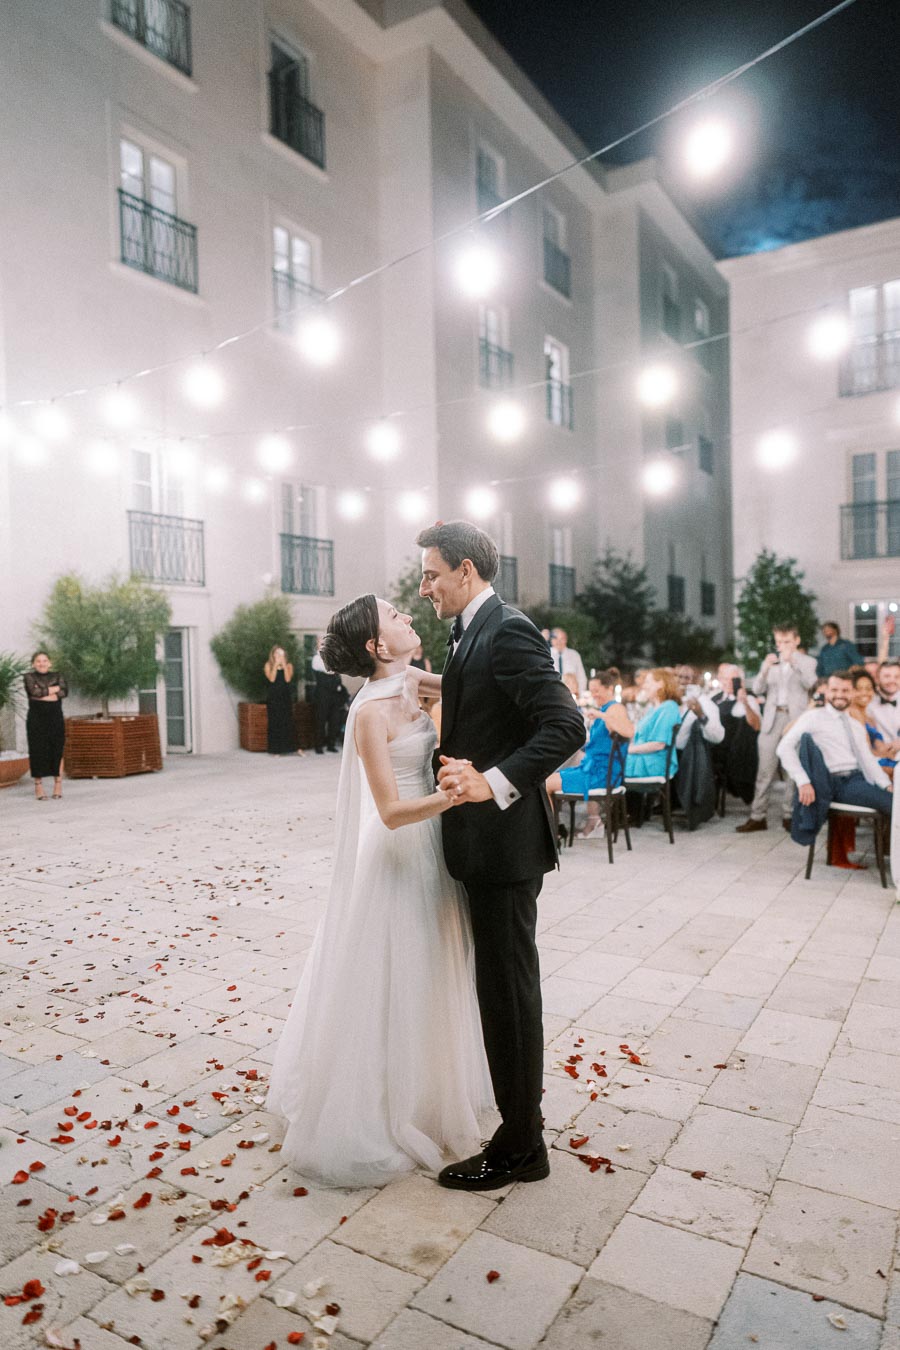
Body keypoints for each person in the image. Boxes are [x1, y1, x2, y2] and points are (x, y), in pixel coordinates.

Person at [267, 596, 492, 1187]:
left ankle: (426, 1088)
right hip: (400, 853)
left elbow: (475, 687)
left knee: (432, 971)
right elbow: (390, 811)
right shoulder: (369, 714)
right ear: (377, 647)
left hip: (435, 848)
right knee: (396, 974)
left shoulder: (414, 679)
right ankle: (380, 1103)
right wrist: (456, 794)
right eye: (395, 616)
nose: (407, 617)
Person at [417, 520, 585, 1190]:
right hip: (484, 846)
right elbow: (488, 702)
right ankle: (519, 1128)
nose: (424, 587)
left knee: (509, 996)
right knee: (499, 990)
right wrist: (439, 688)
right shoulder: (472, 632)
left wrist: (495, 780)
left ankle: (521, 1145)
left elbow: (565, 724)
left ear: (465, 570)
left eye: (431, 574)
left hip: (506, 845)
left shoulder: (507, 627)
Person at [777, 670, 893, 823]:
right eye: (834, 690)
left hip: (857, 779)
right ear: (827, 692)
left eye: (845, 690)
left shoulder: (854, 724)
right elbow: (783, 748)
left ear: (852, 693)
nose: (840, 694)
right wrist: (802, 781)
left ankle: (887, 846)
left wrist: (886, 785)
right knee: (893, 804)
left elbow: (867, 759)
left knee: (893, 799)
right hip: (834, 783)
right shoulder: (813, 717)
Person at [736, 624, 817, 833]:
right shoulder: (772, 664)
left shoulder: (808, 661)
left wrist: (794, 661)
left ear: (796, 641)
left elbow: (811, 684)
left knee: (792, 769)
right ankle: (758, 816)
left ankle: (789, 815)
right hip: (772, 719)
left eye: (787, 642)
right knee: (765, 770)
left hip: (795, 719)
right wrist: (764, 668)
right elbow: (757, 689)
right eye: (779, 642)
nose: (782, 646)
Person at [546, 669, 634, 839]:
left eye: (596, 690)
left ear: (609, 689)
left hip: (600, 775)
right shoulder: (608, 709)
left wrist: (601, 715)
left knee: (545, 784)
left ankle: (551, 835)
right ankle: (590, 823)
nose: (593, 695)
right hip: (594, 770)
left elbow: (629, 731)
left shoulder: (615, 709)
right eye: (591, 691)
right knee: (550, 777)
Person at [710, 663, 760, 806]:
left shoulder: (749, 699)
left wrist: (744, 703)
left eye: (734, 680)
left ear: (741, 682)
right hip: (714, 744)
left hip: (736, 751)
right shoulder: (714, 698)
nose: (728, 683)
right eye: (725, 679)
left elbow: (756, 726)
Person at [623, 668, 682, 779]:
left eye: (648, 682)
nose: (644, 686)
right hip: (644, 759)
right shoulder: (654, 709)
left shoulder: (669, 707)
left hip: (653, 764)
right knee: (605, 758)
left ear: (661, 684)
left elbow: (659, 744)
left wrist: (628, 749)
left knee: (608, 763)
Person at [24, 651, 67, 801]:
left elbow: (64, 692)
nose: (42, 663)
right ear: (33, 663)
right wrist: (53, 690)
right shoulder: (29, 677)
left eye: (44, 661)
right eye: (38, 661)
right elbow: (33, 691)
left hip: (55, 717)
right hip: (36, 719)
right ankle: (39, 786)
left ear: (50, 662)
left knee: (57, 748)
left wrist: (42, 693)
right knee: (37, 750)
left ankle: (58, 785)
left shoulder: (58, 675)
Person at [674, 664, 724, 752]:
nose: (682, 681)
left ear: (697, 680)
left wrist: (701, 715)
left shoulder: (706, 703)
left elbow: (718, 737)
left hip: (687, 758)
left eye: (687, 678)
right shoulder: (674, 700)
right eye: (679, 676)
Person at [310, 638, 346, 753]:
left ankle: (331, 744)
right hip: (322, 693)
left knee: (334, 719)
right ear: (318, 645)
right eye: (322, 643)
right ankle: (319, 746)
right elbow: (328, 670)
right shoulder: (316, 659)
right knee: (320, 719)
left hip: (334, 694)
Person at [263, 646, 300, 756]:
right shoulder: (268, 665)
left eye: (282, 654)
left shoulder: (289, 665)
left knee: (287, 721)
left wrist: (283, 664)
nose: (279, 656)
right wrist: (275, 665)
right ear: (273, 654)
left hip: (285, 697)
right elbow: (272, 679)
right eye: (277, 654)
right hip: (274, 697)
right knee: (275, 722)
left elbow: (288, 679)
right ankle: (275, 750)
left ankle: (290, 748)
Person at [868, 658, 900, 759]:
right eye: (887, 676)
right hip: (879, 756)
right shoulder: (869, 703)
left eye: (897, 677)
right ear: (877, 679)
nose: (892, 680)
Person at [550, 628, 587, 692]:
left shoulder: (574, 655)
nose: (559, 642)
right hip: (552, 693)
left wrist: (580, 694)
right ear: (551, 640)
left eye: (562, 639)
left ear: (566, 640)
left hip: (571, 693)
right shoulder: (547, 654)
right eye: (555, 639)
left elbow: (582, 677)